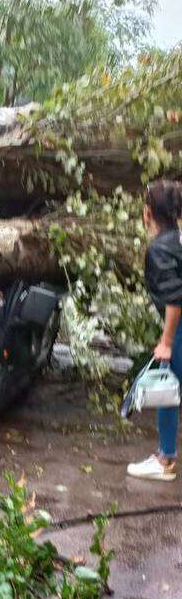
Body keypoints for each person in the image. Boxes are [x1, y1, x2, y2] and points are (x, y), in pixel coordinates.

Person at [128, 179, 182, 480]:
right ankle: (165, 456)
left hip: (180, 330)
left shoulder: (159, 250)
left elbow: (174, 300)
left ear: (148, 212)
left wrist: (166, 341)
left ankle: (164, 461)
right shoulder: (179, 239)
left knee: (166, 389)